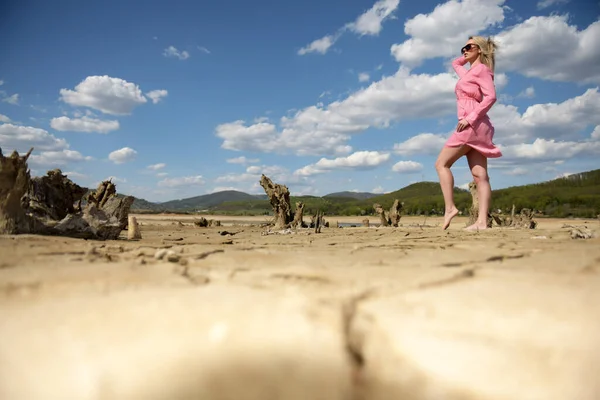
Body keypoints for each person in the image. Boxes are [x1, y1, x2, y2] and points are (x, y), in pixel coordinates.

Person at [435, 36, 502, 231]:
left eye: (468, 47)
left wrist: (469, 119)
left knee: (441, 164)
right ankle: (481, 222)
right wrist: (470, 53)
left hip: (471, 125)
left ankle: (450, 208)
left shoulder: (482, 70)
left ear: (480, 49)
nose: (464, 50)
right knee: (480, 175)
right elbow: (455, 62)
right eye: (462, 47)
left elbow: (491, 97)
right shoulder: (468, 73)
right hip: (477, 126)